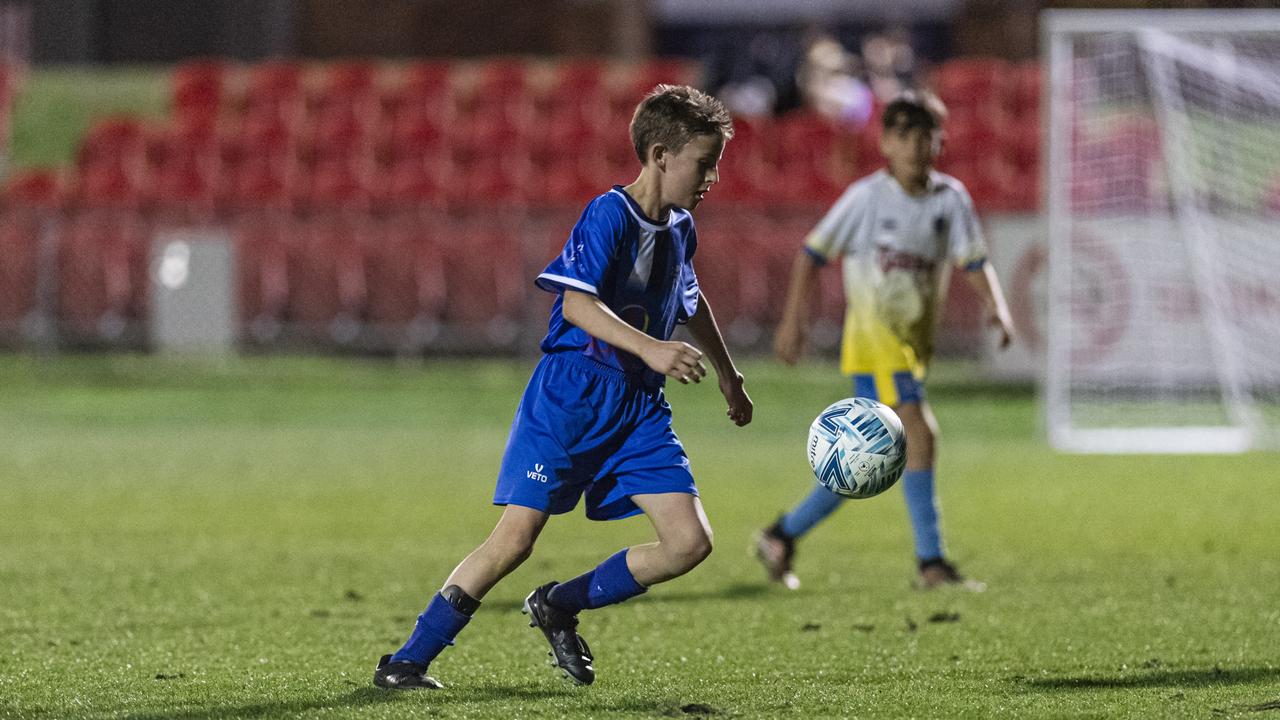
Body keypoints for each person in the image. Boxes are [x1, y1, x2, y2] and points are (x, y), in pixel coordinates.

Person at [374, 84, 753, 690]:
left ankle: (559, 605)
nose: (712, 177)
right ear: (659, 155)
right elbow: (577, 306)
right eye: (703, 163)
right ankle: (406, 660)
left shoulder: (681, 227)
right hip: (571, 397)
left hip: (638, 407)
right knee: (516, 539)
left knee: (689, 542)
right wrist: (652, 347)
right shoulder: (609, 213)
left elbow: (690, 298)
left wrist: (730, 378)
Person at [754, 90, 1013, 592]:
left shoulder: (950, 198)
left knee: (867, 460)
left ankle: (781, 535)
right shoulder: (866, 198)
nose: (917, 145)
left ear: (940, 141)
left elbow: (973, 260)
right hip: (874, 342)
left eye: (926, 135)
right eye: (906, 135)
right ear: (887, 142)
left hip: (913, 349)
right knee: (919, 433)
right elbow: (811, 253)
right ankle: (931, 565)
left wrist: (996, 306)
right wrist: (793, 322)